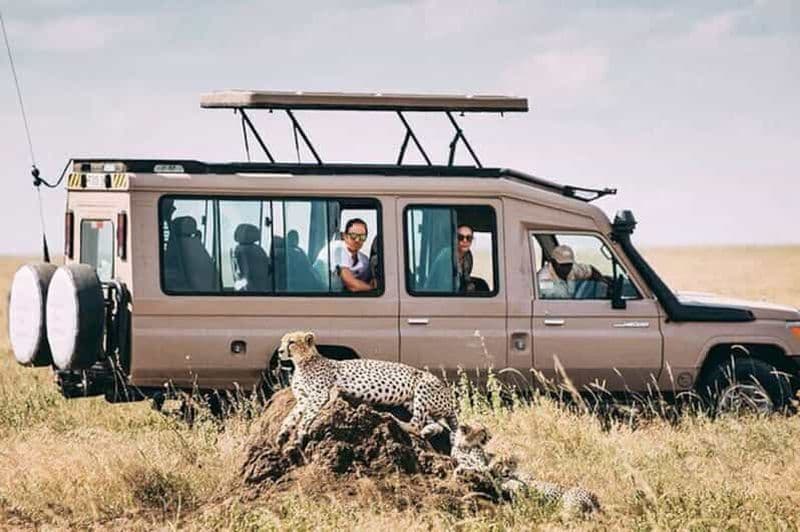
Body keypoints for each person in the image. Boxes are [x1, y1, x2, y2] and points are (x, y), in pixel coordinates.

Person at [537, 244, 605, 299]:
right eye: (563, 265)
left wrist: (603, 281)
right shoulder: (543, 280)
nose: (567, 269)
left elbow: (591, 271)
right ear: (553, 262)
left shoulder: (573, 268)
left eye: (569, 265)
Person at [329, 218, 375, 292]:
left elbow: (368, 282)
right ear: (345, 236)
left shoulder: (364, 260)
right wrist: (373, 288)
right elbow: (352, 285)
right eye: (353, 235)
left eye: (362, 237)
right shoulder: (338, 249)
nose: (357, 240)